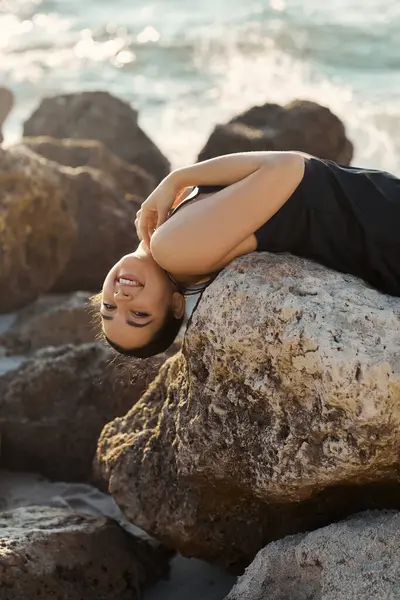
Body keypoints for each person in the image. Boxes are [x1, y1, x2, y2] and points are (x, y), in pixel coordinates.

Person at [96, 151, 400, 358]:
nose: (121, 300)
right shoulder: (173, 250)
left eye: (108, 307)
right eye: (139, 315)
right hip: (380, 224)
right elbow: (290, 166)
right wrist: (177, 179)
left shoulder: (176, 239)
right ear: (176, 305)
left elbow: (291, 166)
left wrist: (177, 180)